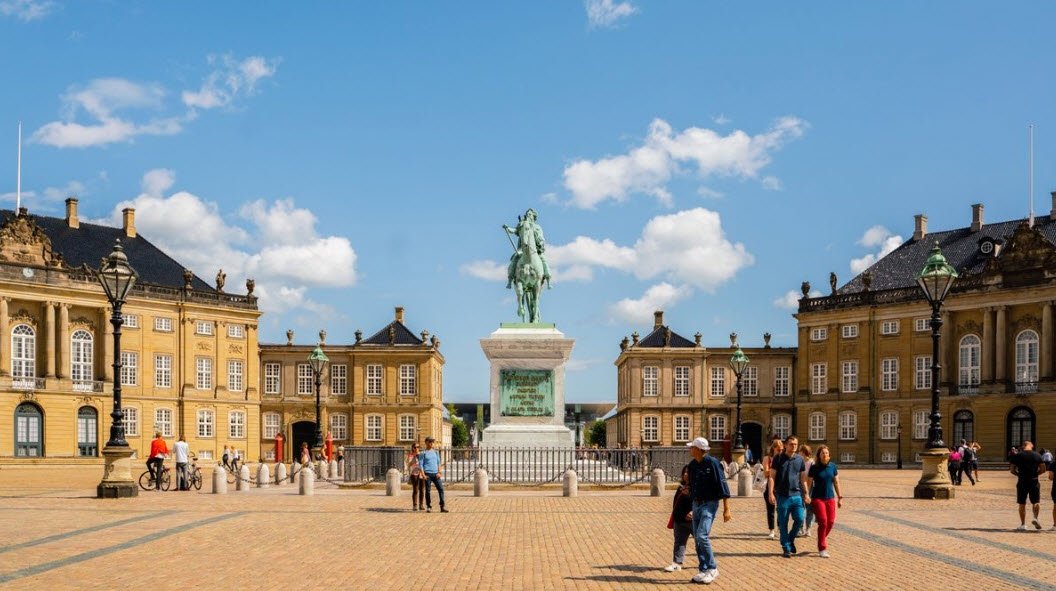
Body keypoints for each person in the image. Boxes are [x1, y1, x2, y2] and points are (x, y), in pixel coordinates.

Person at [684, 437, 731, 585]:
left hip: (709, 504)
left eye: (692, 447)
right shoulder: (692, 465)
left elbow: (723, 486)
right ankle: (703, 569)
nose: (690, 449)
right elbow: (691, 487)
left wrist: (726, 509)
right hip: (696, 504)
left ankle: (712, 568)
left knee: (702, 535)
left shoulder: (713, 463)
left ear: (699, 449)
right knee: (698, 539)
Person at [767, 434, 809, 558]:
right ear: (785, 445)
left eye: (795, 444)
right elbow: (772, 477)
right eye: (791, 444)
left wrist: (806, 493)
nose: (793, 446)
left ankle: (790, 539)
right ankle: (786, 547)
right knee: (783, 523)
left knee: (800, 519)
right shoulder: (778, 459)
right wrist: (770, 493)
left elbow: (803, 479)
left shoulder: (800, 459)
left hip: (796, 495)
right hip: (782, 496)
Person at [807, 445, 843, 558]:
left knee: (831, 522)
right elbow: (809, 483)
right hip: (817, 498)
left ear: (829, 455)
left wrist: (840, 497)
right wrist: (806, 495)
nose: (825, 455)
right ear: (819, 455)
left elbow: (836, 482)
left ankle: (821, 539)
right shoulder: (814, 468)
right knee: (823, 521)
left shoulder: (833, 467)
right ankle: (822, 548)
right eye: (823, 453)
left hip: (830, 498)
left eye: (827, 453)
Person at [664, 465, 695, 572]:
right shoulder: (681, 486)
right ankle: (676, 563)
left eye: (688, 472)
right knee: (679, 543)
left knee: (700, 543)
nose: (685, 474)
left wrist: (693, 512)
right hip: (679, 519)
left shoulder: (696, 488)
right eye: (684, 472)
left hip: (692, 521)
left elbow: (700, 502)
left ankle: (706, 564)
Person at [1009, 440, 1046, 531]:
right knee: (1036, 501)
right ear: (1031, 445)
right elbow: (1043, 469)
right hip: (1034, 480)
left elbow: (1012, 470)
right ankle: (1035, 518)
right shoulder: (1037, 455)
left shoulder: (1017, 455)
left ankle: (1023, 524)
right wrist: (1036, 474)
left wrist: (1019, 475)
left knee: (1022, 503)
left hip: (1022, 481)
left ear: (1023, 446)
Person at [418, 437, 448, 513]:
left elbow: (439, 463)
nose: (431, 443)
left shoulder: (436, 452)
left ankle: (442, 506)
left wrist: (439, 472)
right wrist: (423, 475)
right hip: (427, 474)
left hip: (436, 474)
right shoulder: (423, 453)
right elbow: (421, 465)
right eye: (430, 442)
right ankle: (429, 506)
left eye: (432, 442)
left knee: (441, 489)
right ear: (426, 442)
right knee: (428, 491)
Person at [762, 439, 784, 539]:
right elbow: (766, 473)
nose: (780, 451)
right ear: (773, 449)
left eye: (781, 449)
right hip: (769, 486)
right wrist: (775, 470)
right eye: (778, 449)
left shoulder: (783, 458)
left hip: (781, 486)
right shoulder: (768, 458)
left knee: (781, 509)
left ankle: (780, 529)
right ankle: (771, 530)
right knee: (770, 509)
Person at [798, 444, 815, 537]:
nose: (798, 453)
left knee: (810, 509)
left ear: (803, 452)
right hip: (799, 488)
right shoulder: (799, 461)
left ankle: (808, 528)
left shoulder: (812, 463)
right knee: (800, 508)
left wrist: (807, 491)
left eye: (800, 451)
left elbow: (810, 479)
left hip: (810, 488)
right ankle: (800, 528)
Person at [407, 443, 425, 511]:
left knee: (422, 490)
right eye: (415, 447)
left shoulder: (421, 454)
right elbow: (409, 464)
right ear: (413, 448)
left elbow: (424, 463)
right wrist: (414, 457)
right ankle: (415, 505)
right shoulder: (411, 455)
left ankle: (421, 505)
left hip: (421, 473)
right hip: (414, 474)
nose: (417, 448)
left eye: (418, 447)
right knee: (415, 490)